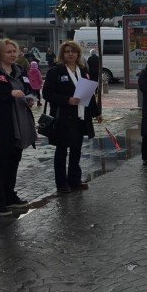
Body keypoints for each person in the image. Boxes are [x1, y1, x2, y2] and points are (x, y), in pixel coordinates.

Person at [0, 38, 37, 216]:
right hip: (2, 124)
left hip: (20, 122)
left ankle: (9, 196)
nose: (13, 54)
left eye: (14, 51)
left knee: (14, 160)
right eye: (8, 52)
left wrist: (29, 98)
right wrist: (8, 93)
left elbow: (27, 89)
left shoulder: (19, 70)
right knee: (1, 163)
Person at [43, 40, 100, 193]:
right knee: (61, 151)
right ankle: (61, 184)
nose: (70, 54)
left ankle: (75, 180)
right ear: (62, 54)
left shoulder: (83, 70)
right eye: (67, 51)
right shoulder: (56, 71)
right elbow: (47, 93)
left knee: (76, 150)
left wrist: (96, 113)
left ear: (78, 54)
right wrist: (66, 100)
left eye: (73, 51)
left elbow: (89, 93)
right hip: (63, 117)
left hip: (81, 117)